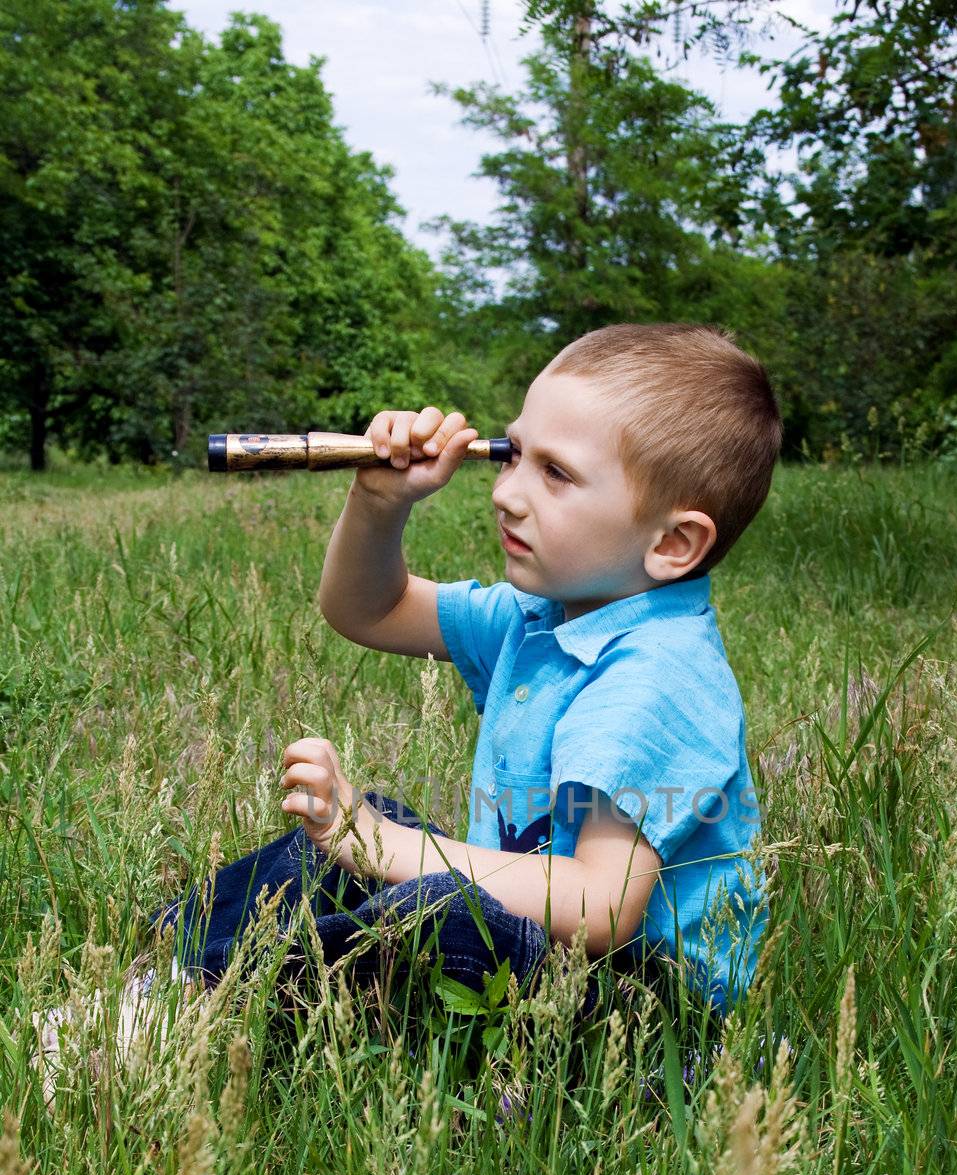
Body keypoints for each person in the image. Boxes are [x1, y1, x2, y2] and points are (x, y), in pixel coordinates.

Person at [36, 322, 783, 1076]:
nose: (505, 493)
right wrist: (379, 500)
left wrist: (388, 849)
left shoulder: (652, 679)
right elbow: (366, 608)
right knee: (350, 851)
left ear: (673, 544)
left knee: (428, 904)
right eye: (514, 452)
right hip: (531, 952)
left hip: (635, 1012)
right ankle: (168, 976)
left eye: (554, 474)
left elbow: (601, 906)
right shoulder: (545, 617)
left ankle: (189, 1025)